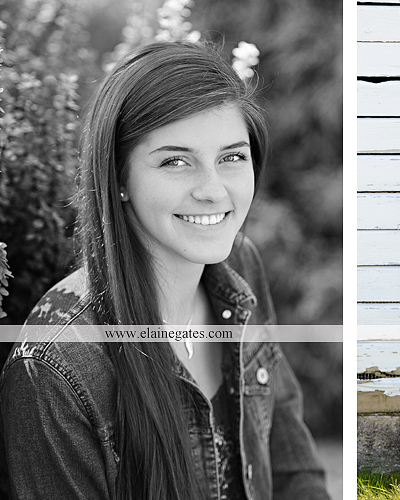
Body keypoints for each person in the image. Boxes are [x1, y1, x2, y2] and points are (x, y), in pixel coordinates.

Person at [0, 41, 330, 500]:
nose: (214, 191)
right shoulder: (57, 367)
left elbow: (292, 464)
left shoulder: (240, 264)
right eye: (176, 161)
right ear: (118, 179)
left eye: (232, 157)